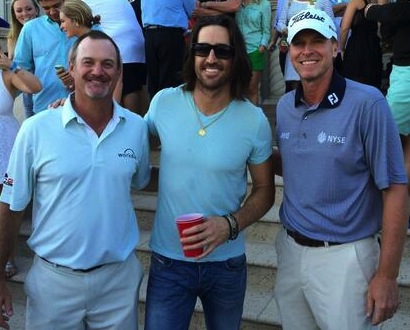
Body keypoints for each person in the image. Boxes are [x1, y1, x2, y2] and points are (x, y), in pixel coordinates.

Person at [0, 30, 151, 329]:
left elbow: (138, 181)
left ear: (120, 71)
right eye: (88, 62)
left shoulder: (136, 128)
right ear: (71, 68)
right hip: (54, 282)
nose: (98, 71)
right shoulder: (36, 129)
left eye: (108, 64)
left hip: (117, 282)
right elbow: (11, 206)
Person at [273, 9, 408, 329]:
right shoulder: (284, 107)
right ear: (288, 51)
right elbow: (300, 163)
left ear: (336, 46)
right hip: (290, 251)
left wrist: (387, 275)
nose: (307, 50)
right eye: (298, 43)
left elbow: (396, 189)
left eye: (317, 41)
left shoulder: (368, 103)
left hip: (346, 259)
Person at [143, 14, 275, 330]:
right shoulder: (164, 102)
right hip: (169, 262)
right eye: (203, 49)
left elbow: (265, 191)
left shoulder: (254, 120)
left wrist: (230, 224)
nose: (211, 58)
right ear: (193, 55)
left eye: (222, 51)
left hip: (226, 265)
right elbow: (125, 139)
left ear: (236, 57)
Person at [365, 1, 410, 227]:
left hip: (407, 75)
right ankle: (403, 206)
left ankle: (390, 206)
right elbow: (389, 28)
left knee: (387, 138)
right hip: (403, 72)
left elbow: (388, 13)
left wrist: (373, 8)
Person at [0, 46, 42, 279]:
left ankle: (7, 257)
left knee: (5, 206)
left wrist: (11, 66)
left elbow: (35, 87)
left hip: (5, 145)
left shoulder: (6, 74)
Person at [84, 0, 148, 115]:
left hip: (119, 42)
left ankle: (131, 123)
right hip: (137, 41)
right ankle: (143, 124)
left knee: (129, 89)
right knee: (138, 86)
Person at [12, 0, 76, 114]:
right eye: (46, 8)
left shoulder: (85, 26)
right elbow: (21, 67)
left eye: (57, 6)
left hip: (79, 105)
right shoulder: (30, 28)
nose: (52, 12)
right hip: (44, 106)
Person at [141, 0, 196, 100]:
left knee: (153, 80)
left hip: (150, 34)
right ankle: (168, 110)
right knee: (171, 80)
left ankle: (155, 111)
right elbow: (192, 10)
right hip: (170, 34)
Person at [276, 0, 334, 92]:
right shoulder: (288, 1)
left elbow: (331, 22)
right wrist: (288, 31)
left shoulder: (324, 1)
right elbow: (280, 23)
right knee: (295, 82)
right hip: (296, 46)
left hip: (317, 48)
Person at [236, 0, 271, 105]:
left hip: (255, 50)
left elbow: (266, 30)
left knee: (252, 89)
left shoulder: (264, 4)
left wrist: (262, 47)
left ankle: (255, 118)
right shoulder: (236, 4)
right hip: (239, 51)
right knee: (240, 89)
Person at [340, 0, 382, 89]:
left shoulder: (355, 2)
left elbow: (345, 28)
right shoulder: (378, 2)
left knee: (353, 83)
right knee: (373, 82)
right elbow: (381, 25)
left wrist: (342, 48)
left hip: (356, 46)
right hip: (374, 45)